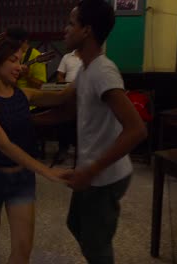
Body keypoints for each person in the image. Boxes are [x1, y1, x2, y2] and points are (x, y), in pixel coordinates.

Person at [34, 1, 147, 263]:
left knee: (97, 247)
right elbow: (65, 108)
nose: (65, 30)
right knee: (76, 223)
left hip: (105, 177)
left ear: (86, 31)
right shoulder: (86, 69)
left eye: (71, 24)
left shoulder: (103, 71)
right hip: (91, 171)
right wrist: (24, 119)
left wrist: (91, 170)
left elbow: (136, 130)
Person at [0, 33, 70, 264]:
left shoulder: (24, 94)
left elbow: (63, 97)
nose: (20, 66)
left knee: (23, 250)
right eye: (13, 60)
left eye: (20, 60)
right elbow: (4, 144)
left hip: (21, 180)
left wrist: (87, 74)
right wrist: (48, 171)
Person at [54, 49, 82, 164]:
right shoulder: (67, 57)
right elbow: (60, 75)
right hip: (68, 94)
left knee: (81, 122)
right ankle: (63, 149)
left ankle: (81, 151)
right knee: (64, 120)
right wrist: (64, 86)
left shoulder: (90, 57)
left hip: (84, 94)